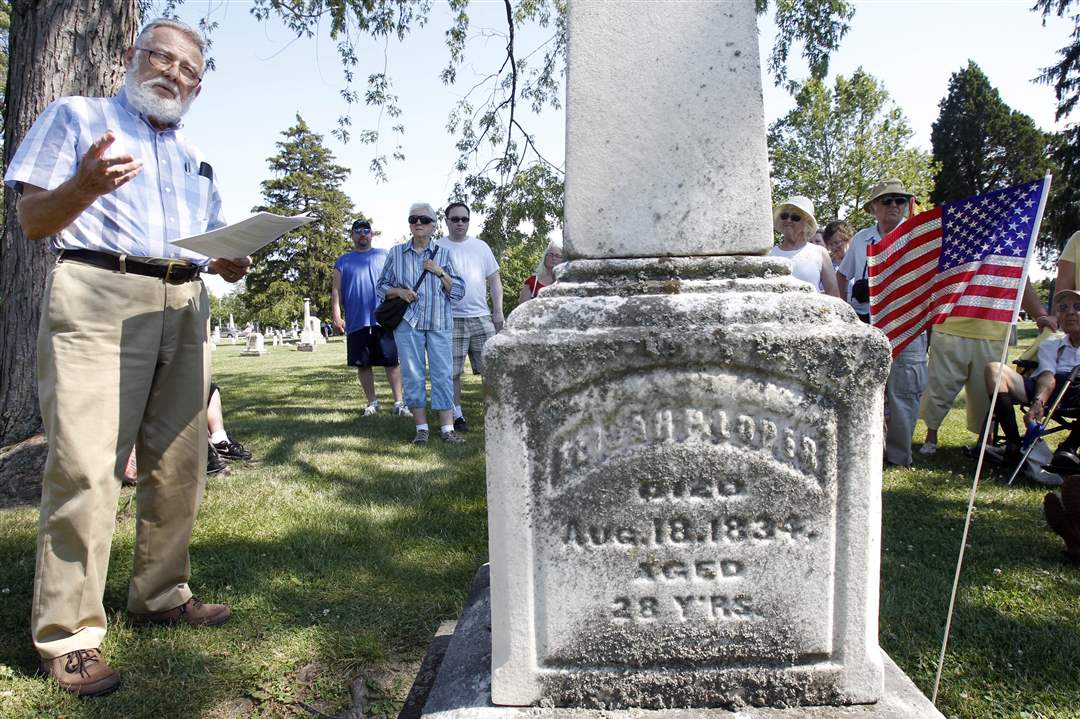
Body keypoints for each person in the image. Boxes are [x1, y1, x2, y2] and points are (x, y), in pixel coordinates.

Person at [4, 18, 251, 696]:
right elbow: (32, 220)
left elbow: (214, 251)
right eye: (162, 58)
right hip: (98, 289)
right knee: (85, 464)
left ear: (197, 89)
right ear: (130, 56)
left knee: (179, 460)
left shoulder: (195, 158)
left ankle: (162, 592)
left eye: (188, 71)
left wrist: (229, 262)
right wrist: (83, 186)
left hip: (184, 299)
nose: (173, 74)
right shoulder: (76, 117)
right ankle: (71, 633)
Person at [837, 179, 928, 466]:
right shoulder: (862, 239)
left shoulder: (918, 236)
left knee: (904, 389)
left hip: (907, 323)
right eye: (886, 200)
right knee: (864, 386)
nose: (893, 205)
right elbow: (842, 275)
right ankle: (864, 451)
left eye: (900, 200)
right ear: (874, 207)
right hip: (866, 323)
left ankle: (899, 456)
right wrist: (845, 309)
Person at [919, 279, 1055, 456]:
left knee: (987, 392)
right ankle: (931, 436)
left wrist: (1040, 315)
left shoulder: (1013, 250)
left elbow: (1023, 281)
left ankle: (986, 440)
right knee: (940, 386)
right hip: (949, 325)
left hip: (995, 329)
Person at [377, 203, 466, 444]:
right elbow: (381, 287)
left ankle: (447, 429)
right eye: (413, 219)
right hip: (408, 323)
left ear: (433, 226)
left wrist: (440, 272)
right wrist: (399, 292)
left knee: (442, 375)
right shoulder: (395, 253)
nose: (418, 223)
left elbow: (458, 291)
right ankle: (422, 429)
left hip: (439, 322)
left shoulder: (444, 255)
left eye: (424, 220)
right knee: (412, 375)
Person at [984, 290, 1080, 470]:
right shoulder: (1052, 343)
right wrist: (1038, 403)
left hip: (1077, 392)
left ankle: (1068, 450)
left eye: (1078, 306)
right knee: (995, 370)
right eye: (1063, 307)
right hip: (1049, 388)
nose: (1070, 312)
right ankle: (1013, 446)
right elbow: (1047, 376)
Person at [332, 219, 406, 417]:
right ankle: (372, 402)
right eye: (358, 231)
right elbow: (336, 290)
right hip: (357, 320)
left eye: (366, 230)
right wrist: (337, 315)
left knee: (392, 362)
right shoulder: (343, 261)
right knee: (363, 364)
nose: (362, 234)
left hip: (384, 318)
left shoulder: (384, 255)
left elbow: (397, 281)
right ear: (352, 235)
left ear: (371, 234)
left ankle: (399, 402)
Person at [442, 202, 504, 432]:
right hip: (451, 319)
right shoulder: (437, 247)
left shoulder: (481, 247)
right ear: (446, 220)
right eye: (455, 219)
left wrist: (498, 311)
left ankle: (496, 414)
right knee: (452, 373)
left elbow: (495, 280)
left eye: (464, 219)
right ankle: (457, 416)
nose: (460, 223)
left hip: (481, 317)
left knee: (492, 369)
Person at [768, 195, 842, 299]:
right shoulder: (770, 254)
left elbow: (833, 293)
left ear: (806, 223)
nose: (788, 220)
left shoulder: (820, 253)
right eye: (784, 216)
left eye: (795, 217)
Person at [519, 239, 564, 304]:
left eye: (557, 256)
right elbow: (522, 309)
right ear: (545, 258)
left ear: (563, 260)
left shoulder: (567, 282)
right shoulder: (532, 281)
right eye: (551, 255)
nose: (554, 258)